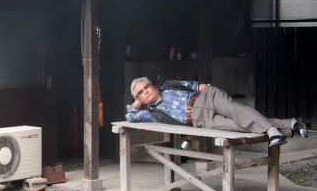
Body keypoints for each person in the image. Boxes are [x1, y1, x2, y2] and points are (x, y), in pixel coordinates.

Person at [126, 76, 308, 148]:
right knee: (237, 124)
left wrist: (208, 89)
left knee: (236, 110)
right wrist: (137, 101)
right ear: (139, 99)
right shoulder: (152, 113)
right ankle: (289, 125)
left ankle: (272, 131)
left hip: (206, 98)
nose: (146, 91)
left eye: (147, 86)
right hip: (200, 120)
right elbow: (130, 117)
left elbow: (192, 85)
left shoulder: (167, 85)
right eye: (141, 92)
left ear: (153, 85)